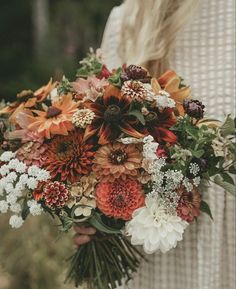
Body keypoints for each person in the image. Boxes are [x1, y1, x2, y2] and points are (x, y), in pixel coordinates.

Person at [74, 1, 235, 288]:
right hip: (146, 252)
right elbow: (99, 137)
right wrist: (87, 210)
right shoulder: (123, 21)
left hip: (226, 247)